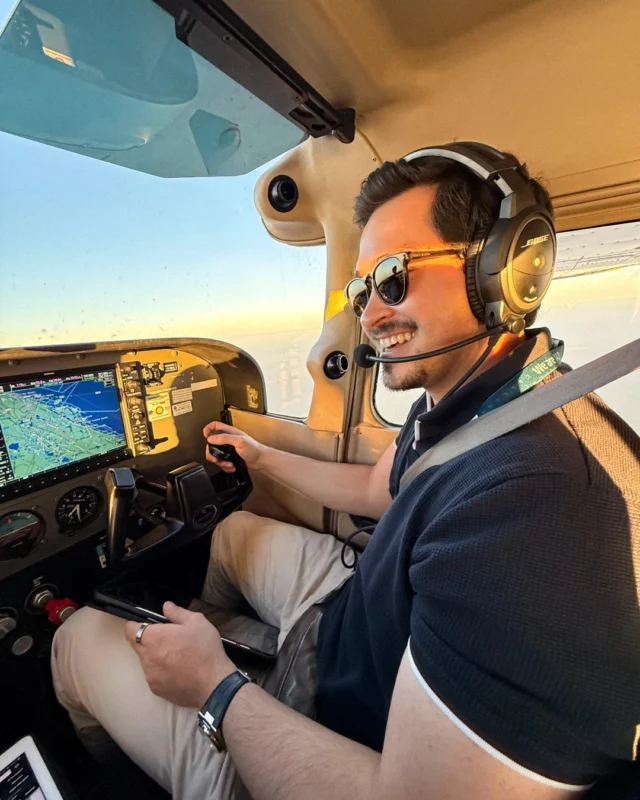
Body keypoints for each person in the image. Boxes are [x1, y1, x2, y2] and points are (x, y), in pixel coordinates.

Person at [52, 146, 640, 800]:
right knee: (233, 533)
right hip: (350, 619)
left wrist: (215, 688)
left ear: (502, 269)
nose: (369, 315)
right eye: (362, 291)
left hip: (338, 734)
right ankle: (227, 647)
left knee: (75, 640)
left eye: (392, 276)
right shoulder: (469, 399)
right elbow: (372, 491)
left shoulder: (536, 514)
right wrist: (259, 455)